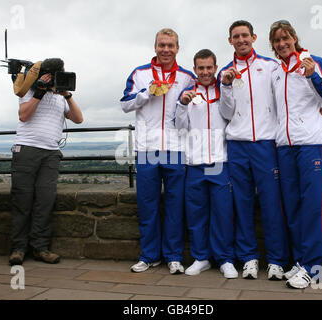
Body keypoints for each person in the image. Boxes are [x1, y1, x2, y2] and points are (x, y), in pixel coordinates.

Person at [218, 20, 289, 280]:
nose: (241, 40)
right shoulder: (225, 72)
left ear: (254, 37)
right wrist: (225, 86)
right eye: (236, 36)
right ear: (230, 41)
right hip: (237, 145)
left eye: (245, 35)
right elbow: (225, 113)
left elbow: (283, 99)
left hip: (266, 145)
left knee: (272, 203)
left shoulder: (270, 67)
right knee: (242, 203)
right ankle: (248, 258)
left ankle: (277, 261)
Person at [120, 28, 195, 274]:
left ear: (177, 48)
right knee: (148, 205)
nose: (166, 49)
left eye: (171, 45)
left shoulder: (186, 77)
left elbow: (196, 108)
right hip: (147, 149)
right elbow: (125, 104)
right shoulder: (140, 73)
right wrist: (147, 92)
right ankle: (150, 255)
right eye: (162, 45)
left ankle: (173, 256)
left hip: (176, 148)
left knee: (175, 207)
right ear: (155, 47)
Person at [269, 20, 322, 289]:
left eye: (286, 38)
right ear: (273, 45)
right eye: (277, 40)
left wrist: (312, 76)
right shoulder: (276, 70)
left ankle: (313, 267)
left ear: (294, 38)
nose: (282, 44)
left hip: (312, 144)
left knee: (312, 207)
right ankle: (301, 261)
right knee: (293, 207)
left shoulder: (313, 61)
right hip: (285, 146)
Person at [9, 58, 83, 266]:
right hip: (26, 149)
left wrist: (67, 95)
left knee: (45, 201)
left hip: (50, 153)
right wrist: (40, 92)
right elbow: (24, 116)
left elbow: (78, 119)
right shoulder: (28, 91)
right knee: (22, 201)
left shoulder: (60, 97)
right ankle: (18, 248)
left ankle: (40, 248)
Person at [175, 49, 237, 278]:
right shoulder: (187, 94)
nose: (205, 72)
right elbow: (180, 128)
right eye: (201, 68)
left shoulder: (223, 89)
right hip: (195, 163)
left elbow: (230, 114)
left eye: (209, 67)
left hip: (220, 161)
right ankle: (201, 257)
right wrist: (182, 105)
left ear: (215, 67)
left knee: (223, 213)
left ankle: (225, 259)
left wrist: (228, 88)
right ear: (195, 70)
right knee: (196, 214)